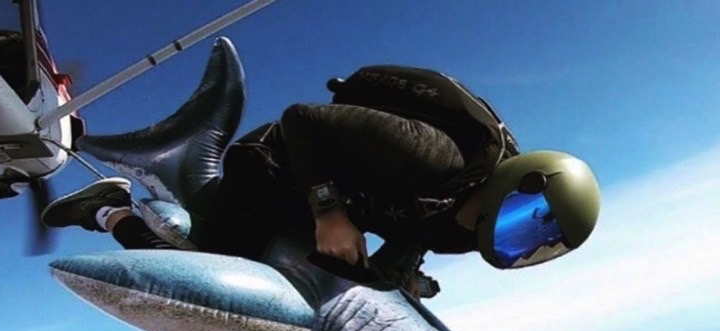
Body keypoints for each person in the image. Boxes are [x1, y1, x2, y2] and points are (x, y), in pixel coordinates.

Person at [42, 63, 601, 296]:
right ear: (520, 183)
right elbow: (303, 119)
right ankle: (109, 208)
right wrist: (329, 211)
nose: (517, 239)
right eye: (528, 222)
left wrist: (400, 274)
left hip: (335, 196)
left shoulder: (463, 233)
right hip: (278, 163)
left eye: (533, 245)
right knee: (213, 265)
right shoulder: (437, 158)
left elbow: (414, 235)